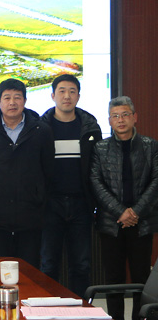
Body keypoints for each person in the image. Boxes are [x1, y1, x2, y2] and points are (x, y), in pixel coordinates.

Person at [90, 96, 158, 320]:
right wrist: (121, 212)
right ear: (109, 120)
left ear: (134, 117)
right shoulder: (100, 148)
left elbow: (156, 181)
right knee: (113, 279)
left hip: (142, 222)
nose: (121, 120)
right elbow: (96, 182)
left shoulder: (150, 146)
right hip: (112, 223)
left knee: (141, 278)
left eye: (125, 115)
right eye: (115, 116)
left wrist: (135, 212)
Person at [0, 79, 54, 268]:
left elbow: (49, 172)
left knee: (29, 270)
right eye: (7, 98)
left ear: (25, 101)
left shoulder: (41, 131)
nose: (12, 102)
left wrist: (40, 202)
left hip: (31, 216)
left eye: (17, 97)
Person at [39, 75, 102, 297]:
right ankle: (47, 311)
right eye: (62, 91)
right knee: (48, 264)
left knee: (81, 265)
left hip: (81, 204)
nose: (67, 96)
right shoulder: (41, 128)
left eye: (72, 91)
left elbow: (97, 167)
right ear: (53, 95)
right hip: (50, 204)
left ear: (78, 96)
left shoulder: (90, 128)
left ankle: (81, 312)